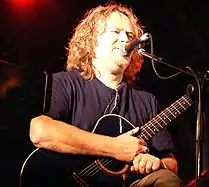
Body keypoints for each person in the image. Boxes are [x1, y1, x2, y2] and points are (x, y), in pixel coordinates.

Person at [28, 2, 181, 187]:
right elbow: (39, 131)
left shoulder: (147, 101)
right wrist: (114, 148)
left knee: (167, 179)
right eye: (115, 32)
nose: (125, 39)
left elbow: (170, 162)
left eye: (130, 35)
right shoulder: (66, 83)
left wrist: (158, 164)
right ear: (91, 42)